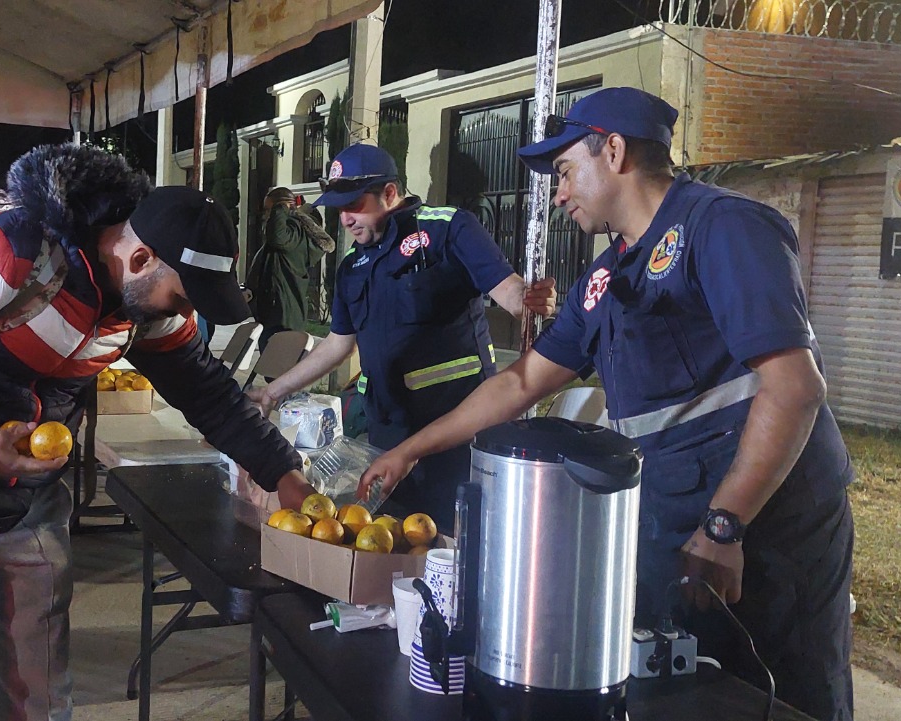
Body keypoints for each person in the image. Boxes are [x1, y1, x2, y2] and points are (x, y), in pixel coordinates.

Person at [358, 87, 855, 721]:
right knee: (686, 693)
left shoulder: (723, 228)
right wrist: (407, 451)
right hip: (673, 517)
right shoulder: (606, 276)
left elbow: (794, 387)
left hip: (769, 525)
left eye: (564, 171)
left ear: (613, 150)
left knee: (784, 696)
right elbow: (519, 384)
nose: (558, 193)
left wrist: (725, 524)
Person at [0, 144, 317, 721]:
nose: (184, 310)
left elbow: (208, 393)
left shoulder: (146, 307)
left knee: (40, 702)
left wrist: (282, 472)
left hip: (30, 505)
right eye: (183, 292)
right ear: (141, 260)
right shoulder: (7, 251)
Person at [247, 143, 557, 530]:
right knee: (391, 543)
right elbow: (338, 344)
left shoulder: (446, 229)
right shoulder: (352, 268)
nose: (344, 219)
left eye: (354, 205)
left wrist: (528, 299)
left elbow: (509, 291)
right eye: (339, 209)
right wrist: (272, 393)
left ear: (390, 193)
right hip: (386, 438)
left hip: (456, 436)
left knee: (452, 545)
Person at [246, 186, 334, 348]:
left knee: (278, 369)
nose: (267, 216)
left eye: (269, 210)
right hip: (276, 313)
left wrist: (281, 206)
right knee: (273, 368)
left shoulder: (294, 231)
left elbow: (277, 237)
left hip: (283, 316)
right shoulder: (290, 235)